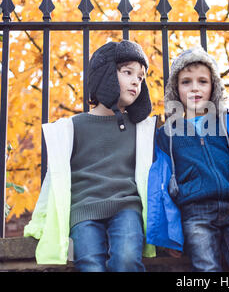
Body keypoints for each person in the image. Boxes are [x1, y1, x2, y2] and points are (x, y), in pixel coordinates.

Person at [24, 40, 157, 272]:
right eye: (128, 72)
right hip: (84, 210)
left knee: (126, 259)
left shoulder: (142, 130)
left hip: (127, 207)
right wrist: (39, 222)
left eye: (141, 76)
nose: (137, 80)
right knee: (90, 266)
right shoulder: (72, 127)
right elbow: (54, 178)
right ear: (105, 75)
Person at [148, 46, 229, 272]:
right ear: (175, 89)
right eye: (186, 82)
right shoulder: (166, 135)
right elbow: (159, 187)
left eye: (202, 81)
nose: (194, 88)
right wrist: (171, 233)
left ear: (214, 87)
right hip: (194, 215)